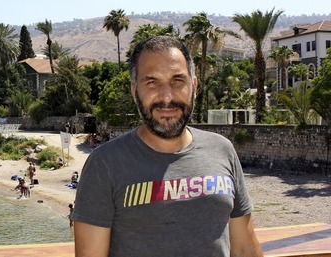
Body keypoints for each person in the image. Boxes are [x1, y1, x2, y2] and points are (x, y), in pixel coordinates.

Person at [71, 36, 262, 256]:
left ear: (195, 86)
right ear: (135, 91)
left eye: (177, 80)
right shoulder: (104, 164)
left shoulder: (222, 150)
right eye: (152, 82)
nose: (166, 97)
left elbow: (245, 248)